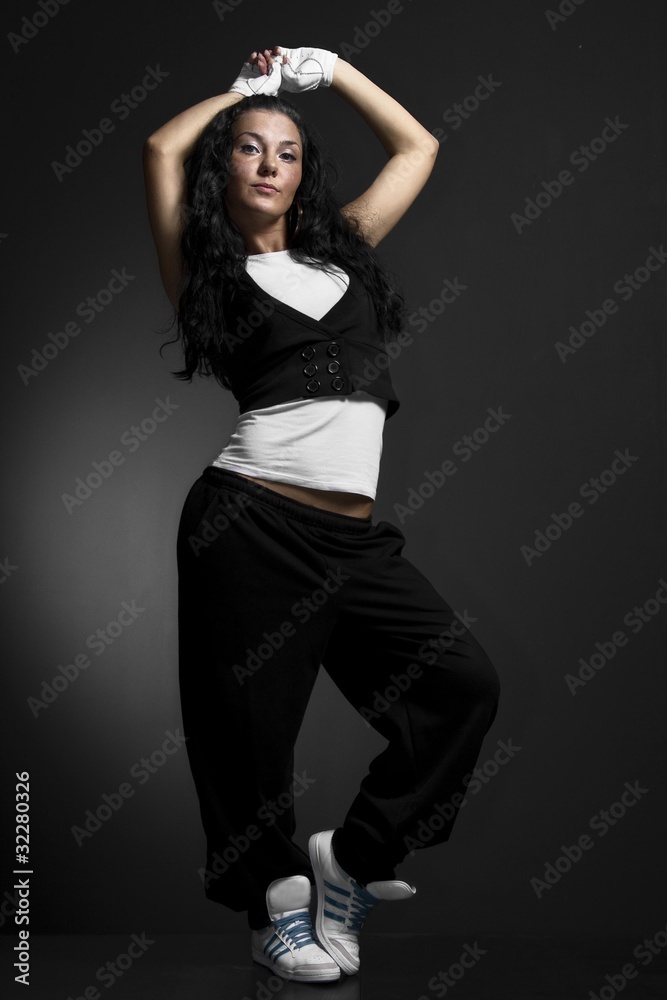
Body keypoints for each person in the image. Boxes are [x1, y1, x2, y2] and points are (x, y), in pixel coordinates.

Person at [143, 44, 500, 984]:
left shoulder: (341, 247)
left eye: (288, 151)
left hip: (350, 539)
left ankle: (349, 862)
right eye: (251, 149)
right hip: (247, 527)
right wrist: (246, 93)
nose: (269, 163)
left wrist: (331, 71)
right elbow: (156, 148)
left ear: (304, 175)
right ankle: (273, 915)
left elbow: (417, 147)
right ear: (225, 165)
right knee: (248, 737)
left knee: (459, 682)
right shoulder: (204, 275)